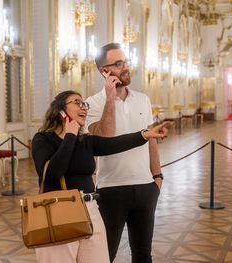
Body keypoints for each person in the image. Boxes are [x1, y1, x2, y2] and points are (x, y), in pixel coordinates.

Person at [32, 90, 169, 263]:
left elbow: (116, 143)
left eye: (84, 104)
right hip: (59, 211)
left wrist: (145, 135)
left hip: (90, 210)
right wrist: (69, 136)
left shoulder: (86, 141)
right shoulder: (42, 139)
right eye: (77, 102)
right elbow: (53, 173)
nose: (83, 107)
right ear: (60, 110)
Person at [85, 43, 164, 263]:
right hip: (111, 190)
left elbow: (151, 142)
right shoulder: (92, 103)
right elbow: (104, 140)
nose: (125, 67)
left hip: (146, 187)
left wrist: (157, 177)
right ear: (105, 71)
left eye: (126, 61)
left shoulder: (143, 99)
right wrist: (110, 98)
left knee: (142, 255)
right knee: (104, 256)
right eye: (118, 64)